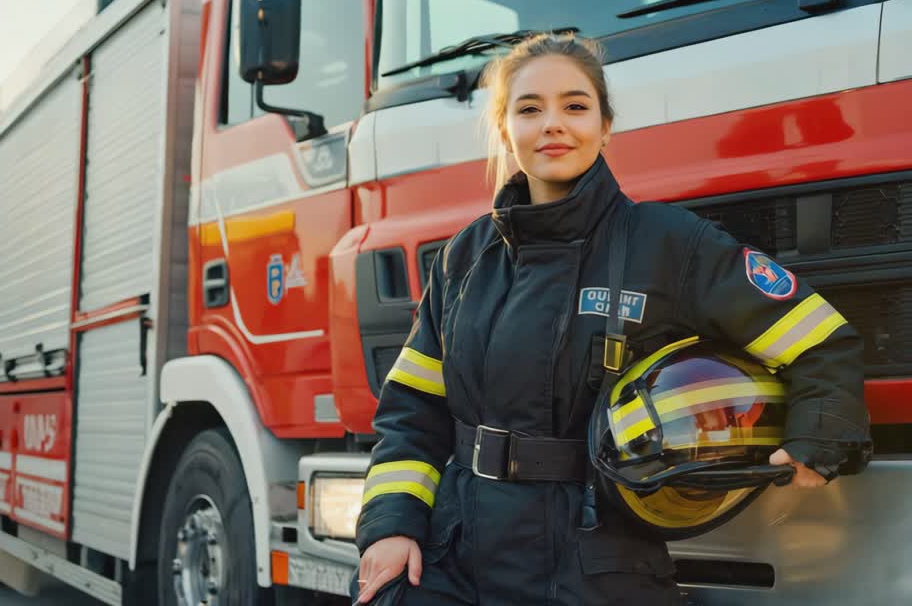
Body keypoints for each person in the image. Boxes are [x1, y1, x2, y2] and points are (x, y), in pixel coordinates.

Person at [353, 33, 870, 605]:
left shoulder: (669, 244)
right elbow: (412, 412)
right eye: (530, 109)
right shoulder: (465, 257)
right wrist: (392, 527)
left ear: (605, 127)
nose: (552, 124)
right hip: (458, 558)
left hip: (596, 567)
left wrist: (818, 435)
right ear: (505, 129)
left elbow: (822, 340)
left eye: (575, 106)